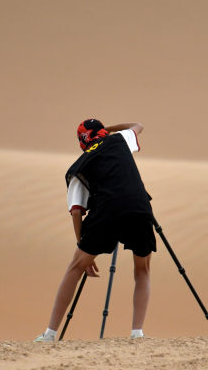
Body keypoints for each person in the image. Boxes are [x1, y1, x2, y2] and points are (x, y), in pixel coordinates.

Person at [34, 119, 156, 342]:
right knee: (143, 270)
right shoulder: (119, 140)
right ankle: (137, 333)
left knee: (75, 267)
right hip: (139, 208)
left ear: (82, 142)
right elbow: (138, 125)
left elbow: (76, 212)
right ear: (102, 133)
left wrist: (84, 248)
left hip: (106, 213)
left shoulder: (79, 167)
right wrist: (108, 130)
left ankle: (50, 334)